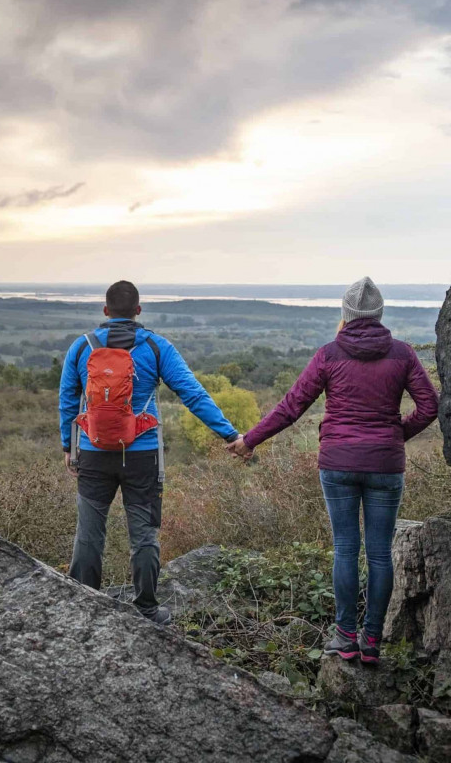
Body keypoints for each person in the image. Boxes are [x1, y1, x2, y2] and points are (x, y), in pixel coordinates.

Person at [228, 277, 438, 663]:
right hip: (385, 466)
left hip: (338, 463)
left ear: (346, 314)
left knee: (345, 548)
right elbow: (429, 407)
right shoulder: (403, 354)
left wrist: (250, 439)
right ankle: (372, 642)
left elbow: (292, 407)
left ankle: (345, 637)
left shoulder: (329, 354)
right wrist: (393, 438)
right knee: (379, 554)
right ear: (379, 315)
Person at [59, 280, 242, 625]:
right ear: (139, 311)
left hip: (93, 451)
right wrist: (229, 434)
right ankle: (146, 608)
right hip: (142, 455)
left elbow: (68, 401)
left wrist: (69, 446)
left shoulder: (81, 348)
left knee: (89, 531)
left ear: (105, 311)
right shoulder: (157, 348)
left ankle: (84, 606)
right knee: (143, 533)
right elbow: (193, 394)